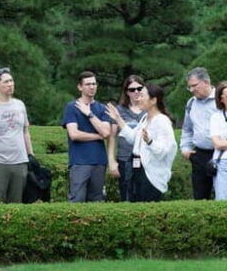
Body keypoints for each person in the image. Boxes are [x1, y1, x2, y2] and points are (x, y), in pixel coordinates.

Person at [106, 83, 177, 201]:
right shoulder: (145, 118)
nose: (138, 98)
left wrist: (150, 142)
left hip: (151, 175)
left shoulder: (162, 121)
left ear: (153, 100)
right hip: (136, 169)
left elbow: (165, 150)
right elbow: (134, 138)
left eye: (142, 95)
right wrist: (118, 119)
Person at [0, 67, 34, 204]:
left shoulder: (20, 105)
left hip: (19, 160)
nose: (10, 85)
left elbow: (25, 131)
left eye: (11, 81)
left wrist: (31, 155)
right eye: (6, 82)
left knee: (16, 202)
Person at [62, 71, 112, 202]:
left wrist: (89, 114)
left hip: (99, 161)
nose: (92, 87)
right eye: (88, 84)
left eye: (94, 84)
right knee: (77, 199)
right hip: (79, 162)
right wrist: (98, 136)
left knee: (97, 201)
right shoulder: (72, 107)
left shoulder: (102, 108)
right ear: (80, 87)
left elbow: (106, 133)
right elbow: (74, 134)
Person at [179, 67, 219, 200]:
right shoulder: (191, 103)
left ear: (206, 82)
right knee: (200, 197)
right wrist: (185, 148)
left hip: (221, 154)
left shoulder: (221, 100)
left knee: (223, 195)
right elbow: (187, 129)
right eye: (189, 87)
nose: (191, 90)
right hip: (199, 155)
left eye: (194, 86)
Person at [107, 75, 147, 201]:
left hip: (146, 159)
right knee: (127, 195)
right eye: (132, 89)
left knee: (145, 196)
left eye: (139, 88)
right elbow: (112, 137)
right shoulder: (119, 110)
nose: (136, 92)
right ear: (126, 92)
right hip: (125, 159)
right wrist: (112, 162)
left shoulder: (149, 109)